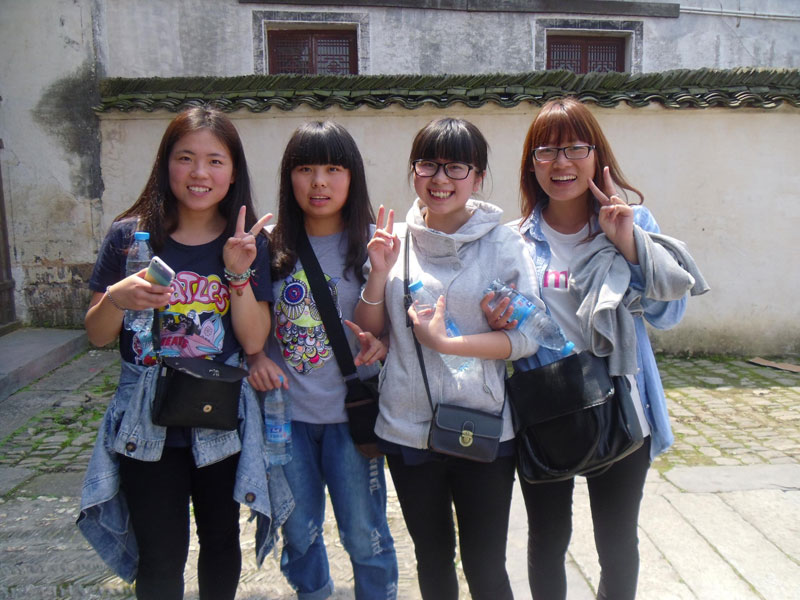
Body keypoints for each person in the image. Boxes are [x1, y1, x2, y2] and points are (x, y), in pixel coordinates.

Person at [485, 97, 707, 600]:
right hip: (547, 412)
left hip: (622, 402)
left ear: (596, 156)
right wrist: (499, 320)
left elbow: (669, 314)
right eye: (546, 152)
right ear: (531, 164)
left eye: (574, 148)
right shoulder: (513, 241)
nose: (561, 163)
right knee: (547, 539)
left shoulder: (634, 219)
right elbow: (513, 332)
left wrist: (628, 244)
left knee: (616, 540)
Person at [76, 106, 292, 599]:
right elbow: (97, 334)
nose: (200, 173)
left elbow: (255, 342)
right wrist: (116, 298)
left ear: (233, 170)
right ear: (164, 163)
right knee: (160, 556)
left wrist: (237, 272)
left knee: (220, 542)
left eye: (215, 161)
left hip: (218, 415)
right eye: (186, 158)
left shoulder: (247, 244)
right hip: (146, 420)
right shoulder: (129, 237)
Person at [354, 117, 542, 600]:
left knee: (486, 566)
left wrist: (449, 344)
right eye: (428, 165)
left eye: (456, 167)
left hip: (483, 427)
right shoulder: (391, 239)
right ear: (414, 171)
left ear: (477, 177)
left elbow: (529, 338)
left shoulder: (504, 244)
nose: (440, 179)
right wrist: (378, 273)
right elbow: (371, 332)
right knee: (432, 560)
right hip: (408, 427)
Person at [246, 120, 399, 600]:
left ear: (352, 176)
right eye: (305, 168)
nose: (319, 182)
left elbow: (390, 328)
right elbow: (250, 329)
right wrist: (253, 358)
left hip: (352, 419)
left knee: (363, 532)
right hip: (283, 419)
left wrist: (387, 344)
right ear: (288, 177)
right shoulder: (266, 248)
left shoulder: (376, 243)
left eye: (334, 168)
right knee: (298, 530)